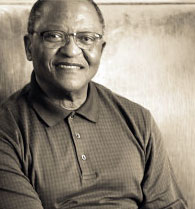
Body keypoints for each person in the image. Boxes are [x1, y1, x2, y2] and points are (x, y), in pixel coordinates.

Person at [0, 0, 188, 208]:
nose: (71, 50)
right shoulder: (6, 129)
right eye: (54, 36)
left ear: (101, 49)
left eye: (86, 38)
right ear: (29, 47)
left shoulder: (137, 119)